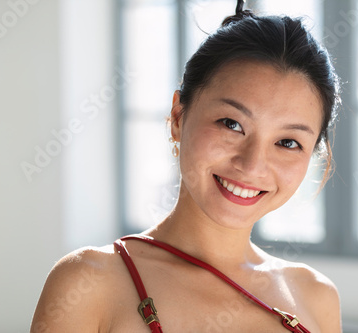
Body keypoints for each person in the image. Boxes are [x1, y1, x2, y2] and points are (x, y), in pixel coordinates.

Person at [31, 1, 342, 332]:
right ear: (178, 117)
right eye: (231, 124)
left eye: (287, 142)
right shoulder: (89, 282)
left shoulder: (316, 296)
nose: (252, 166)